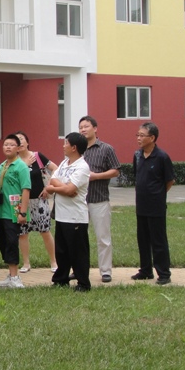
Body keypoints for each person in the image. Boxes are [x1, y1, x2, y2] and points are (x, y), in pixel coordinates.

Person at [45, 132, 91, 291]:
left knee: (78, 252)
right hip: (61, 215)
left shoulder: (82, 167)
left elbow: (70, 189)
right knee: (62, 251)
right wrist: (63, 188)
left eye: (66, 143)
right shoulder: (65, 163)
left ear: (74, 147)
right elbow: (53, 179)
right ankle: (61, 280)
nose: (63, 146)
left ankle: (83, 283)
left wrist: (55, 189)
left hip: (76, 217)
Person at [78, 116, 121, 283]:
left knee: (103, 237)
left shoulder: (106, 149)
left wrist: (96, 176)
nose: (83, 129)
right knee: (79, 238)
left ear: (95, 128)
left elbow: (116, 170)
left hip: (99, 199)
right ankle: (80, 269)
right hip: (79, 201)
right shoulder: (77, 149)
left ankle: (105, 271)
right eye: (81, 127)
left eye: (86, 126)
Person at [132, 122, 175, 285]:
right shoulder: (137, 155)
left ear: (152, 138)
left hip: (156, 206)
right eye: (137, 135)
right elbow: (137, 177)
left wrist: (158, 194)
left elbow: (169, 181)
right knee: (143, 240)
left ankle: (164, 273)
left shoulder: (162, 157)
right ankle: (145, 270)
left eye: (142, 135)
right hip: (141, 205)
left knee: (158, 241)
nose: (138, 138)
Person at [14, 131, 58, 273]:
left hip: (39, 201)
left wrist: (48, 187)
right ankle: (26, 263)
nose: (19, 142)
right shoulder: (14, 161)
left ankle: (54, 262)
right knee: (22, 233)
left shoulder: (37, 156)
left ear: (27, 142)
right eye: (16, 140)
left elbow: (55, 169)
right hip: (21, 202)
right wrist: (24, 165)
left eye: (22, 139)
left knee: (45, 231)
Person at [0, 134, 31, 288]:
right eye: (5, 144)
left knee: (11, 242)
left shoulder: (21, 166)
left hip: (13, 212)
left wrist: (23, 212)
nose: (8, 147)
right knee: (3, 241)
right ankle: (10, 275)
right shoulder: (2, 165)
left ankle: (15, 277)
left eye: (11, 145)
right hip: (1, 211)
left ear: (18, 148)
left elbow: (26, 189)